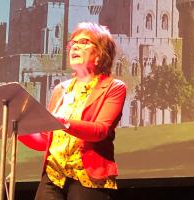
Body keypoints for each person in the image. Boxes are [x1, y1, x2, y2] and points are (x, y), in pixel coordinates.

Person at [19, 22, 126, 200]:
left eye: (84, 42)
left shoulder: (113, 87)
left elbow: (100, 130)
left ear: (100, 53)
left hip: (88, 178)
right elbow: (46, 138)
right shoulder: (61, 89)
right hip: (53, 175)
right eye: (72, 43)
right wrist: (18, 129)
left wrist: (63, 122)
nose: (74, 46)